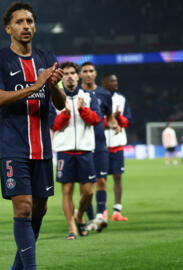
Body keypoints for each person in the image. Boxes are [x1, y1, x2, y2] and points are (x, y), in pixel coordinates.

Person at [0, 2, 65, 269]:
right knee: (23, 209)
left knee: (39, 211)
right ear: (8, 28)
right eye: (19, 22)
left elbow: (61, 102)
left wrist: (52, 86)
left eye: (30, 21)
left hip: (41, 146)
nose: (26, 26)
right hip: (13, 145)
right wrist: (36, 84)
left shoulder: (46, 57)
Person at [49, 62, 101, 239]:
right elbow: (53, 125)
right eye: (66, 74)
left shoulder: (88, 96)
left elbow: (96, 120)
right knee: (67, 190)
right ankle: (71, 227)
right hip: (64, 150)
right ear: (61, 78)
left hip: (86, 150)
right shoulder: (55, 98)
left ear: (78, 76)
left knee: (88, 192)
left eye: (73, 73)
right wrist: (66, 114)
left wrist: (82, 110)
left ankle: (79, 216)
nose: (70, 76)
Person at [79, 62, 118, 230]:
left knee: (101, 180)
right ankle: (89, 218)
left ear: (95, 74)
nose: (88, 74)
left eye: (91, 71)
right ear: (80, 74)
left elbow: (109, 117)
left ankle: (100, 216)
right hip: (82, 144)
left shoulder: (104, 94)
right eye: (85, 71)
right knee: (86, 185)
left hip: (100, 143)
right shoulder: (75, 93)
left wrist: (114, 124)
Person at [102, 74, 132, 221]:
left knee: (118, 177)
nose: (116, 83)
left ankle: (117, 211)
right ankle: (103, 210)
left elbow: (127, 122)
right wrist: (110, 120)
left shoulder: (121, 98)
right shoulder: (97, 97)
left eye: (116, 80)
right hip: (101, 144)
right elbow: (93, 120)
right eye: (112, 81)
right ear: (104, 83)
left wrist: (118, 118)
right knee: (101, 179)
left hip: (118, 143)